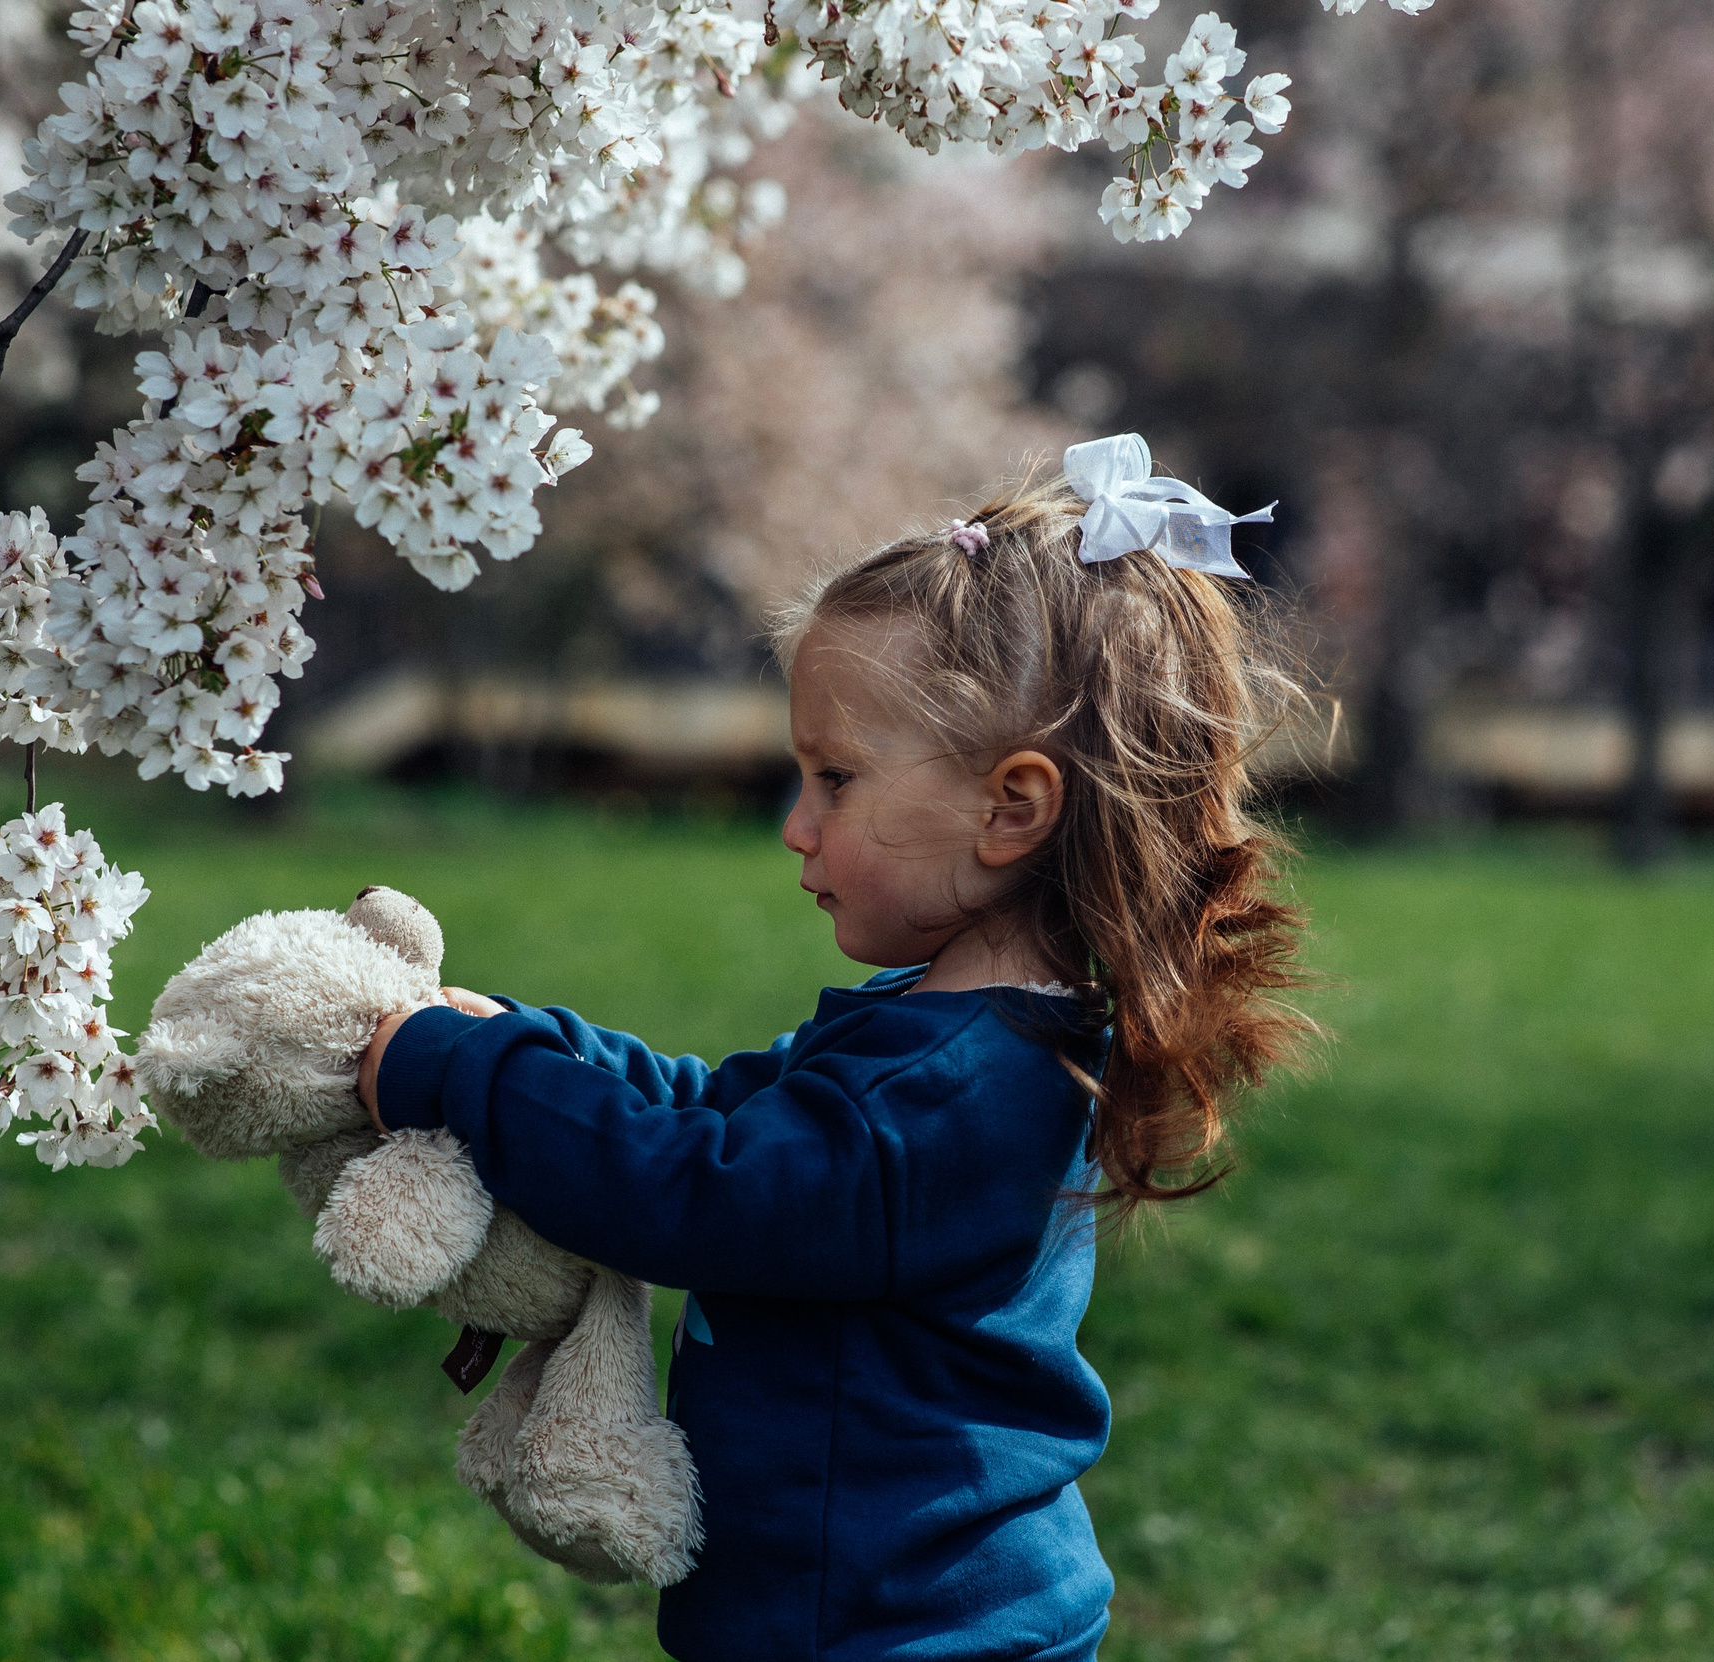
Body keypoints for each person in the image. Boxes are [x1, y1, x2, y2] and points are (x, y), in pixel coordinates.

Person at [355, 434, 1315, 1662]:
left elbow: (695, 1193)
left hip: (901, 1632)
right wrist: (524, 1041)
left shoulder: (962, 1089)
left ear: (1010, 808)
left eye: (835, 780)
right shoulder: (938, 1030)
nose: (796, 827)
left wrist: (461, 1077)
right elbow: (723, 1117)